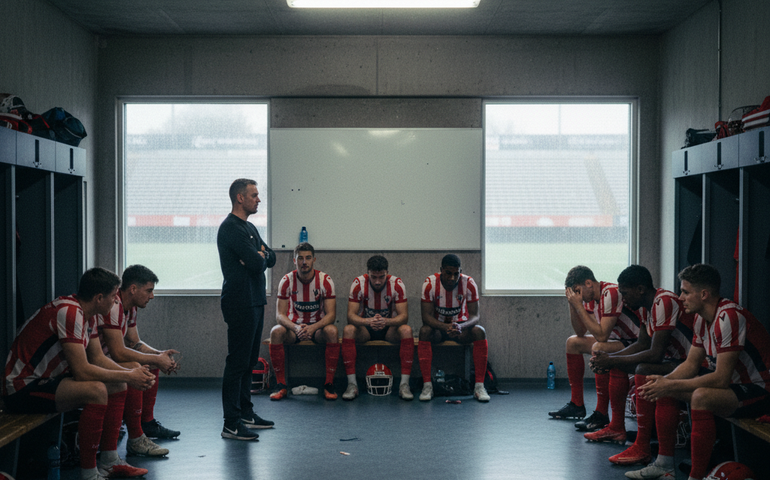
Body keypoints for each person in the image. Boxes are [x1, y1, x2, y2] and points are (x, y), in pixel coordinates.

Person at [2, 268, 156, 480]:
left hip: (50, 380)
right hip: (22, 386)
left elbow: (98, 358)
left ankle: (110, 462)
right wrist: (129, 375)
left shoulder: (89, 314)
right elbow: (82, 371)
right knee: (96, 390)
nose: (115, 301)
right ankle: (89, 474)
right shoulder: (70, 312)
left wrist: (131, 372)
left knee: (117, 384)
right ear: (99, 298)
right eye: (113, 296)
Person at [631, 264, 770, 480]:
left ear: (704, 294)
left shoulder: (728, 317)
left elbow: (720, 379)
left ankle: (695, 477)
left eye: (685, 292)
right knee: (665, 390)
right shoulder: (700, 318)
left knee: (701, 396)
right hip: (735, 388)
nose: (680, 298)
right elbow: (691, 364)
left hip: (761, 389)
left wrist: (669, 384)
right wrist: (663, 382)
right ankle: (664, 465)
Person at [586, 265, 693, 465]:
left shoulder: (664, 301)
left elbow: (655, 354)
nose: (623, 299)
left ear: (641, 289)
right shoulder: (645, 307)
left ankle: (642, 446)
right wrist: (610, 358)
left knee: (644, 369)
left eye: (625, 293)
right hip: (673, 360)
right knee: (621, 364)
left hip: (690, 362)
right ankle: (616, 427)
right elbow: (642, 344)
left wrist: (611, 360)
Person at [96, 264, 182, 457]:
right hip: (97, 360)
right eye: (149, 291)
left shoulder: (131, 307)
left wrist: (160, 355)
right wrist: (156, 358)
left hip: (108, 357)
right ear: (133, 289)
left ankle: (147, 423)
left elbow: (135, 342)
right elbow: (119, 353)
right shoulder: (114, 306)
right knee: (137, 367)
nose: (152, 296)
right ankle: (136, 438)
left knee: (150, 363)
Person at [217, 178, 276, 441]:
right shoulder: (231, 228)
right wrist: (258, 256)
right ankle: (231, 423)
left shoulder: (249, 228)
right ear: (240, 198)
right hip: (239, 302)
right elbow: (256, 263)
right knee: (237, 363)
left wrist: (260, 255)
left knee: (249, 361)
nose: (258, 199)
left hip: (255, 300)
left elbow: (270, 258)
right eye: (254, 195)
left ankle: (246, 414)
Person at [548, 265, 641, 432]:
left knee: (599, 347)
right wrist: (573, 305)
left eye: (577, 291)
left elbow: (602, 336)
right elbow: (581, 331)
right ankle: (577, 404)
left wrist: (579, 306)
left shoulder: (610, 293)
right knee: (573, 343)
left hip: (635, 342)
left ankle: (601, 413)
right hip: (616, 340)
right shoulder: (590, 299)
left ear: (589, 283)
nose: (578, 296)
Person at [269, 242, 339, 400]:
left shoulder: (325, 280)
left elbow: (331, 315)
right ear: (295, 261)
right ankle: (281, 385)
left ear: (314, 259)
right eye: (300, 258)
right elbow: (279, 315)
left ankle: (329, 384)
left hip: (317, 329)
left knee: (332, 331)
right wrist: (296, 327)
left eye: (308, 258)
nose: (304, 262)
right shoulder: (286, 280)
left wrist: (312, 328)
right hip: (294, 329)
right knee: (276, 332)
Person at [340, 255, 414, 401]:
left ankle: (404, 385)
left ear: (387, 273)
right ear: (368, 273)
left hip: (389, 329)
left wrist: (386, 321)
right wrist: (368, 321)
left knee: (406, 330)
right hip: (366, 329)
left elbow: (404, 316)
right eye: (373, 277)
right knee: (348, 329)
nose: (378, 281)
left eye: (381, 277)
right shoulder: (358, 283)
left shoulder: (397, 284)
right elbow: (350, 316)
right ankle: (352, 385)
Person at [418, 254, 489, 402]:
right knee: (424, 331)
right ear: (441, 270)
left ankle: (479, 387)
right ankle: (427, 386)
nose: (452, 278)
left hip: (460, 329)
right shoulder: (430, 283)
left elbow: (475, 316)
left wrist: (460, 326)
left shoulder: (469, 283)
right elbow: (426, 316)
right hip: (438, 328)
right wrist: (445, 327)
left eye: (456, 274)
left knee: (479, 331)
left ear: (460, 271)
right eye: (448, 273)